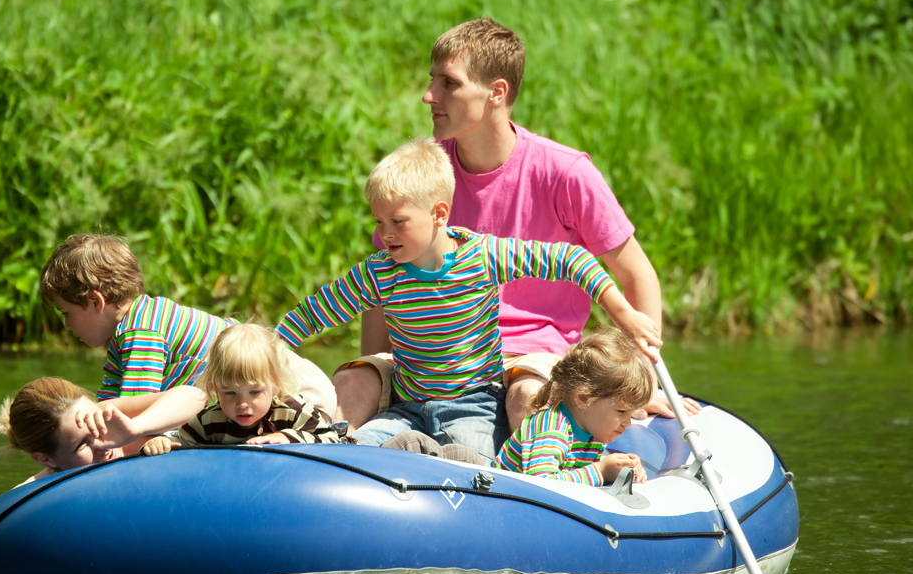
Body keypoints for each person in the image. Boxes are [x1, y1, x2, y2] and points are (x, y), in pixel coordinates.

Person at [332, 17, 698, 432]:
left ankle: (533, 478)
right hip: (432, 359)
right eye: (432, 79)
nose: (428, 95)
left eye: (448, 83)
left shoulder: (566, 172)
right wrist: (382, 370)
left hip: (533, 355)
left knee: (526, 395)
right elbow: (387, 276)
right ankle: (319, 460)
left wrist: (642, 384)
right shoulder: (425, 171)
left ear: (496, 92)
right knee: (352, 380)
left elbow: (636, 274)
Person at [275, 138, 660, 462]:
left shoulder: (482, 257)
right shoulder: (380, 272)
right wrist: (264, 348)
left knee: (473, 469)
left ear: (439, 213)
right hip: (406, 409)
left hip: (474, 406)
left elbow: (569, 258)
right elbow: (315, 312)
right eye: (379, 222)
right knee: (351, 454)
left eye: (398, 222)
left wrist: (623, 312)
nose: (385, 234)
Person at [39, 233, 337, 414]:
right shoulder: (127, 333)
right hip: (257, 391)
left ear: (95, 301)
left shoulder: (140, 330)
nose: (67, 326)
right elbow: (110, 402)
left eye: (66, 313)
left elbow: (134, 408)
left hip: (289, 387)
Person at [145, 323, 344, 452]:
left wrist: (287, 437)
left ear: (275, 385)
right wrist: (159, 443)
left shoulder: (292, 411)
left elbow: (332, 439)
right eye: (230, 393)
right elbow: (181, 442)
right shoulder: (210, 421)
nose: (242, 404)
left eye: (254, 392)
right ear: (215, 388)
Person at [494, 329, 652, 487]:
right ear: (583, 398)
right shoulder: (552, 430)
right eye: (621, 411)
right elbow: (541, 485)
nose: (627, 423)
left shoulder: (593, 428)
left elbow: (574, 476)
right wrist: (601, 471)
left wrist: (621, 470)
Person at [0, 377, 208, 485]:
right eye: (83, 444)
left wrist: (136, 427)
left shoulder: (112, 418)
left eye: (97, 421)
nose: (102, 442)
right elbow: (24, 491)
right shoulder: (54, 474)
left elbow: (195, 396)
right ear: (46, 460)